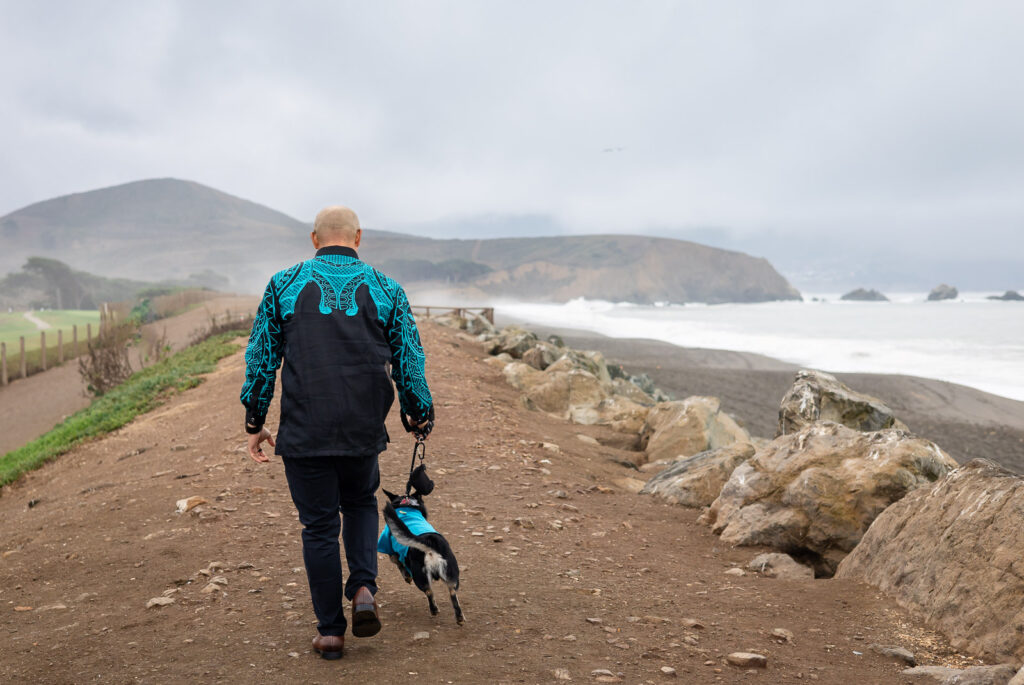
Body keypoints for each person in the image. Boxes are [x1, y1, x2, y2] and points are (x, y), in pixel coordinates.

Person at [240, 206, 434, 660]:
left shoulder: (283, 285)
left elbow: (261, 357)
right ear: (358, 237)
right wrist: (417, 413)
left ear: (314, 239)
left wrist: (255, 421)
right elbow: (410, 357)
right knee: (361, 503)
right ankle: (364, 588)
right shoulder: (387, 288)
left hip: (305, 427)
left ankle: (330, 632)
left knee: (319, 526)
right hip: (363, 427)